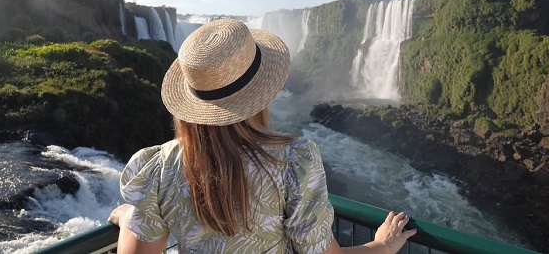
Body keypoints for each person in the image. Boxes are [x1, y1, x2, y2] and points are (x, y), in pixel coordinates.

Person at [108, 19, 416, 253]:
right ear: (261, 95)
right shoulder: (295, 161)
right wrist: (382, 246)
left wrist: (131, 220)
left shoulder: (155, 170)